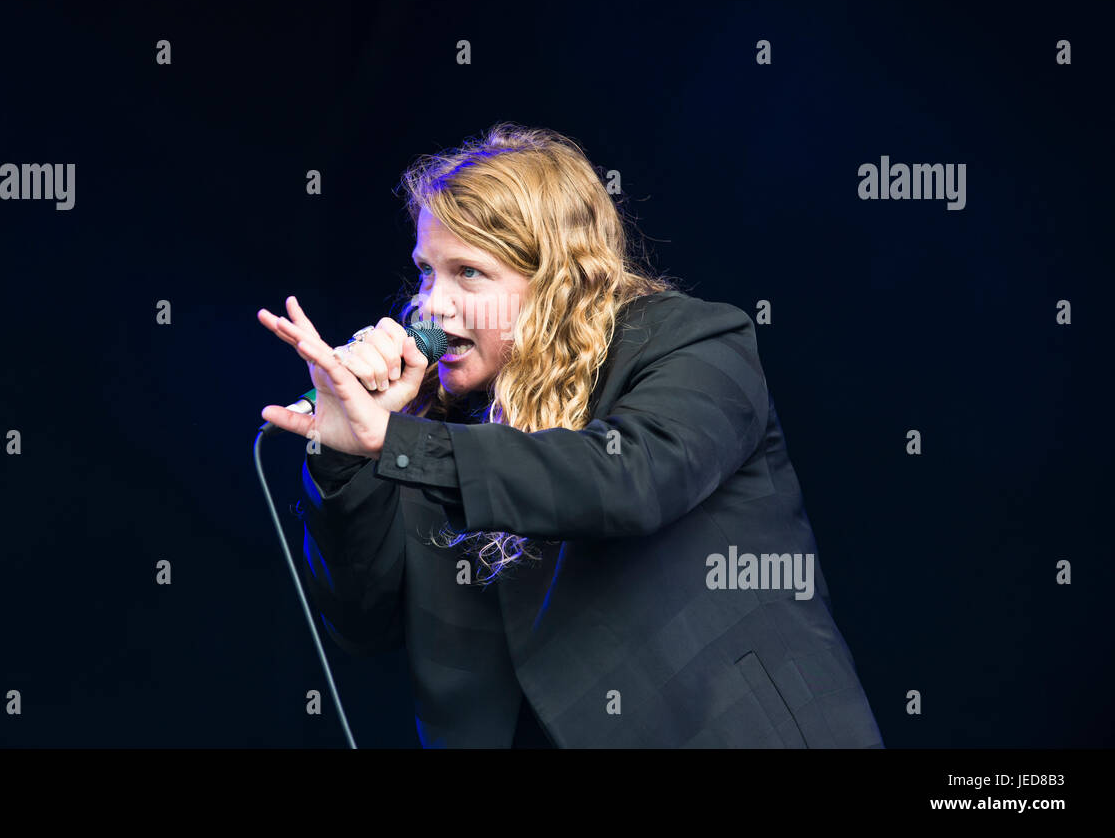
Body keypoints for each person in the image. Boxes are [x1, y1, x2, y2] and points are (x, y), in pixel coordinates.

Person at [258, 122, 884, 748]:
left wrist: (398, 444)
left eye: (468, 273)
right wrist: (345, 460)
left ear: (558, 279)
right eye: (427, 271)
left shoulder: (691, 342)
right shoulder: (430, 420)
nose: (431, 305)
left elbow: (631, 479)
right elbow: (363, 623)